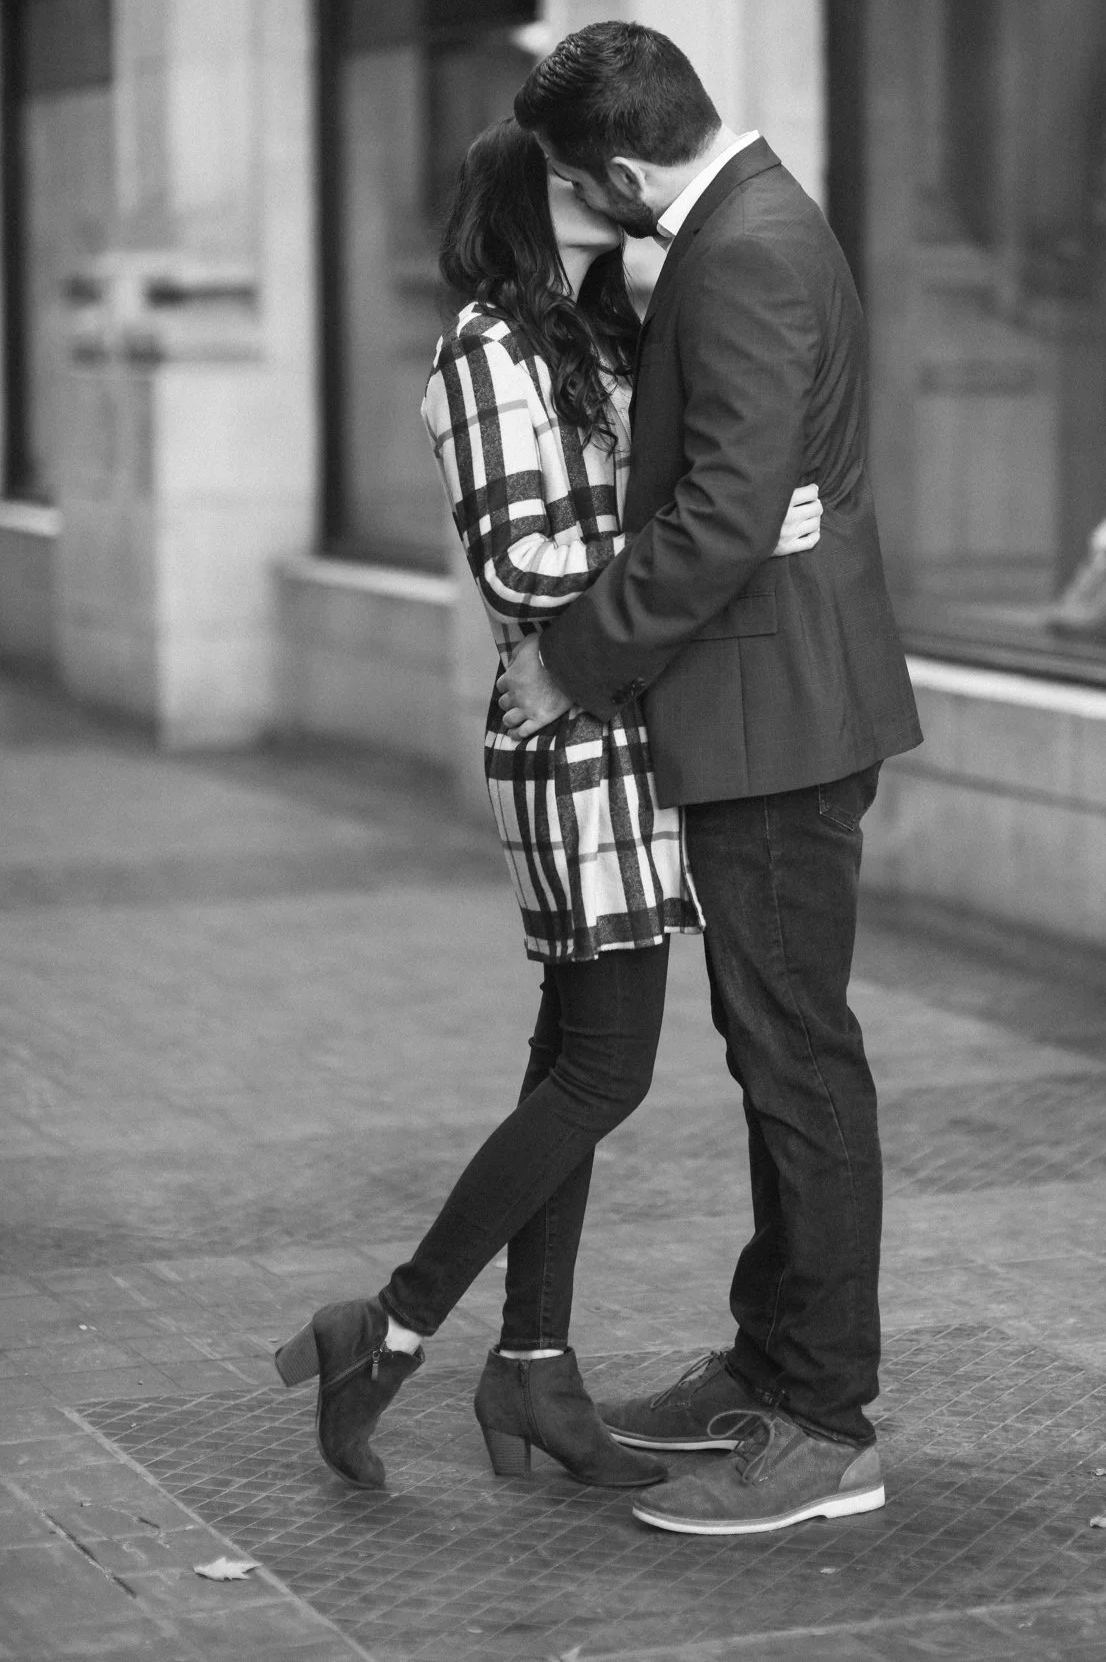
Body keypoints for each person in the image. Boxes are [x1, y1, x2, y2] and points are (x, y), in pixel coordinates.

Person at [273, 118, 822, 1495]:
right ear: (523, 200)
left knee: (566, 1062)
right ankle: (389, 1327)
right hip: (567, 738)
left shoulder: (597, 336)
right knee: (605, 1070)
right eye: (564, 174)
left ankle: (532, 1368)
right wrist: (722, 538)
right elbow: (517, 562)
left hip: (624, 730)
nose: (594, 185)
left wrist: (707, 532)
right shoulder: (482, 351)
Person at [501, 21, 923, 1537]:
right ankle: (770, 1361)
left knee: (798, 1061)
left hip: (778, 716)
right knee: (775, 1054)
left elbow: (731, 513)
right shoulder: (748, 220)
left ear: (623, 169)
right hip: (771, 701)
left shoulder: (741, 250)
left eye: (574, 182)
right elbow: (759, 496)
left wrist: (573, 659)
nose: (573, 206)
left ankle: (825, 1425)